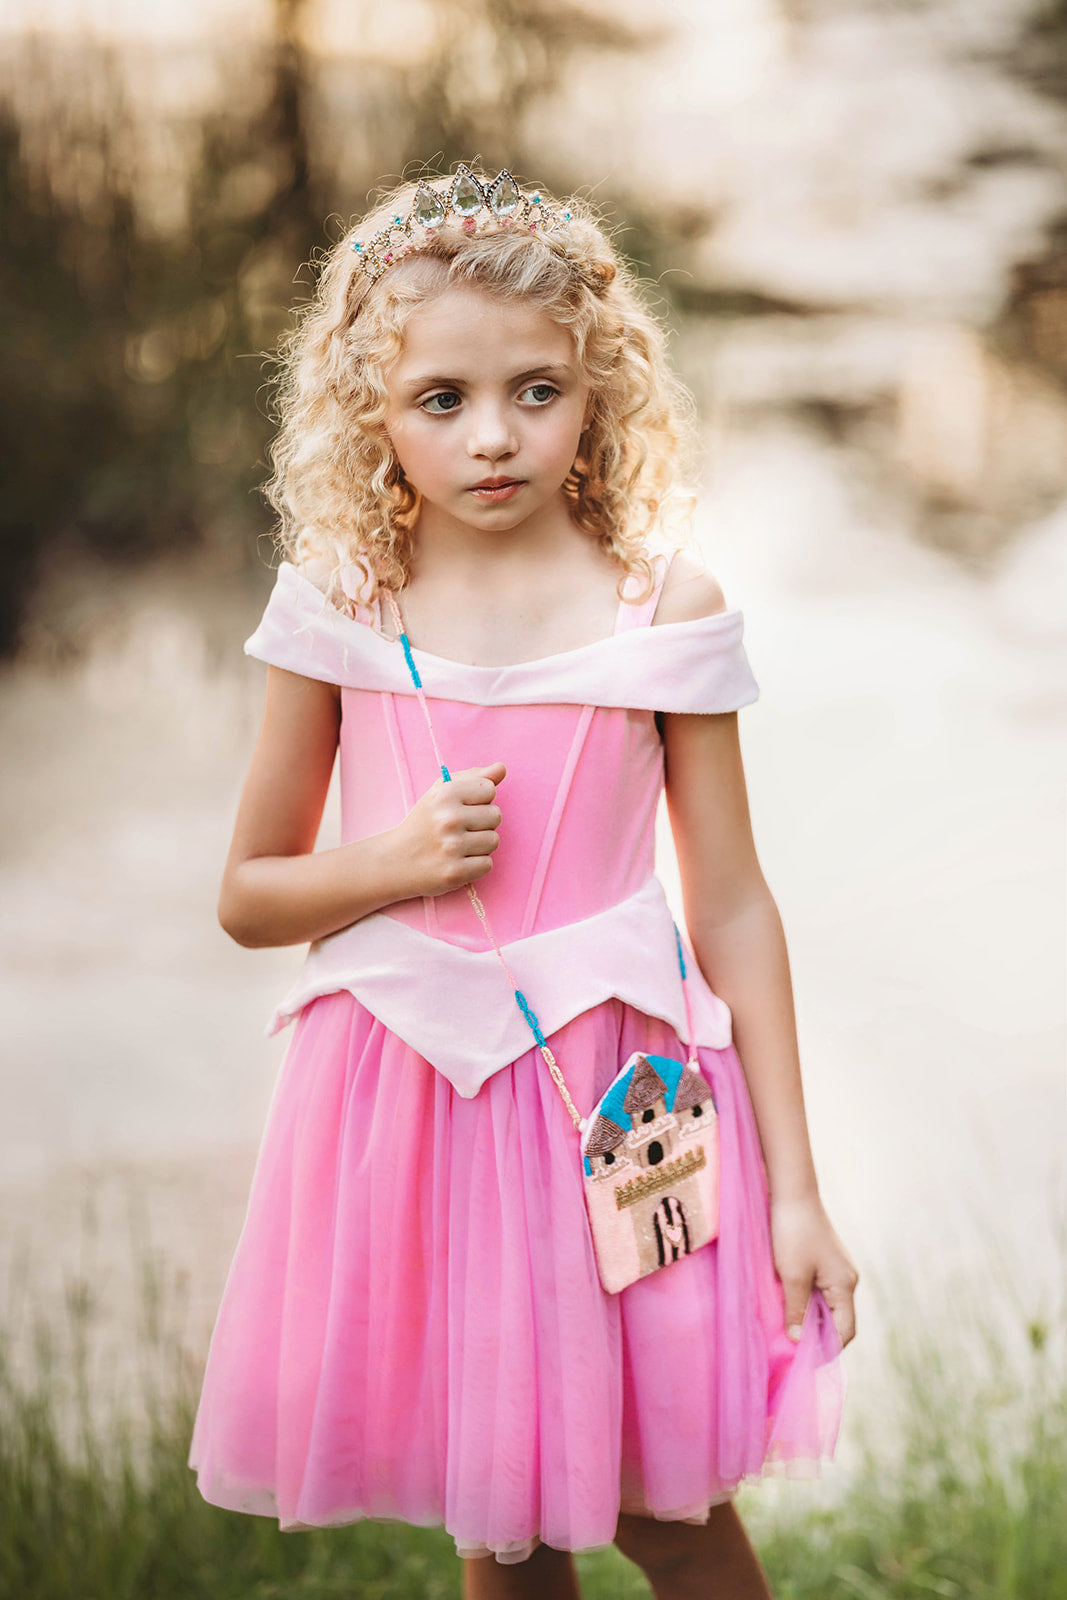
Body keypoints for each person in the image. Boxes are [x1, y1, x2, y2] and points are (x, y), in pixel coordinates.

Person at [187, 164, 858, 1600]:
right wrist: (390, 864)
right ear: (372, 408)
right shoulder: (340, 608)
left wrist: (798, 1188)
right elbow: (249, 893)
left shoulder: (659, 608)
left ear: (596, 390)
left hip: (625, 1106)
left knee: (667, 1509)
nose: (493, 437)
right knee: (506, 1519)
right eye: (443, 399)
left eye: (536, 392)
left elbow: (731, 901)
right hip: (415, 1106)